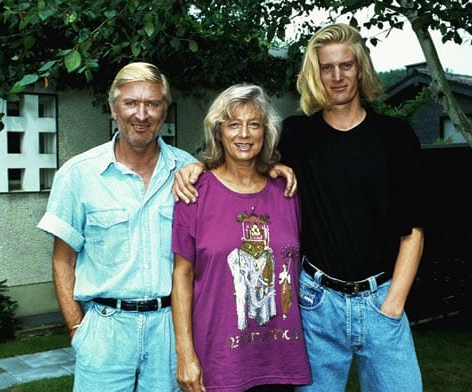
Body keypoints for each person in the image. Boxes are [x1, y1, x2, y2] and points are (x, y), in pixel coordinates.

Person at [173, 23, 426, 392]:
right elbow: (244, 157)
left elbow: (414, 229)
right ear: (315, 74)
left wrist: (393, 304)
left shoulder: (395, 137)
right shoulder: (296, 135)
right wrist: (200, 167)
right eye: (326, 67)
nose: (337, 76)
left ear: (361, 69)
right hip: (316, 305)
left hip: (380, 301)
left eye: (346, 65)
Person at [36, 62, 198, 391]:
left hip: (170, 330)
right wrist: (76, 329)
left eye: (152, 104)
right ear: (113, 109)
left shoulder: (190, 172)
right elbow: (62, 260)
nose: (142, 114)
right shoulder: (78, 174)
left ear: (164, 112)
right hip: (105, 333)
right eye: (131, 103)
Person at [171, 84, 311, 392]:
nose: (244, 134)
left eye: (254, 124)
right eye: (233, 124)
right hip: (220, 363)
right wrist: (185, 354)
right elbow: (182, 276)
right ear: (218, 131)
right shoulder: (194, 193)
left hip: (280, 362)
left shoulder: (286, 191)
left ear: (266, 132)